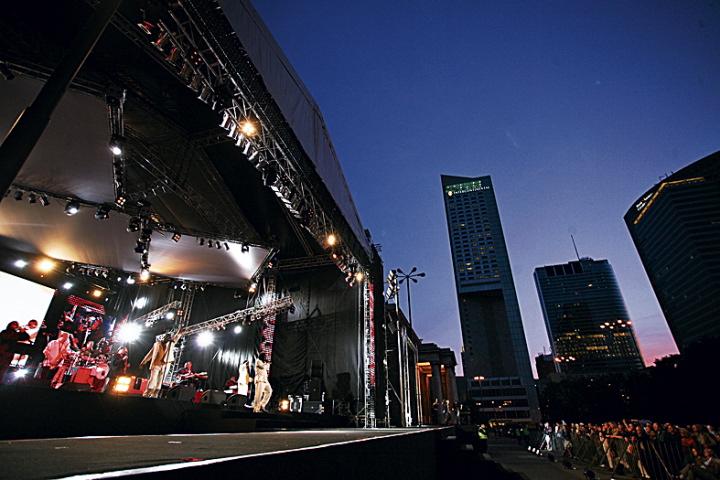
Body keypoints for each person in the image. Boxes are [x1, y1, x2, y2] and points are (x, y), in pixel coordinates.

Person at [140, 331, 180, 398]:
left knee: (160, 380)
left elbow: (176, 339)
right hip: (156, 364)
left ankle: (155, 394)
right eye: (166, 337)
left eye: (169, 338)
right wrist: (144, 361)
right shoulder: (157, 344)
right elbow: (150, 354)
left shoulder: (170, 344)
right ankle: (147, 393)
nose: (167, 339)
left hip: (165, 364)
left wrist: (179, 333)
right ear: (163, 338)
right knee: (153, 378)